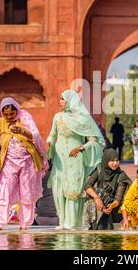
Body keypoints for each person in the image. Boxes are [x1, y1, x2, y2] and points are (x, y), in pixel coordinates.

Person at [47, 90, 105, 230]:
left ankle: (72, 223)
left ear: (70, 100)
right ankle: (62, 221)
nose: (60, 101)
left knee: (74, 188)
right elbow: (52, 135)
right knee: (59, 188)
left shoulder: (83, 118)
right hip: (60, 159)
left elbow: (94, 140)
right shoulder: (58, 117)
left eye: (62, 99)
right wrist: (48, 143)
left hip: (75, 158)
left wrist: (81, 148)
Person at [0, 97, 48, 231]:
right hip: (8, 162)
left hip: (27, 162)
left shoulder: (25, 118)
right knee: (3, 191)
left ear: (17, 110)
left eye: (12, 114)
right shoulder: (0, 123)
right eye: (6, 114)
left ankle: (25, 224)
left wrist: (22, 131)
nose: (9, 117)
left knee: (27, 193)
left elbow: (35, 135)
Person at [82, 148, 132, 230]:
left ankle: (102, 228)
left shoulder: (121, 175)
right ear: (106, 160)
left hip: (114, 208)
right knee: (94, 193)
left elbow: (118, 198)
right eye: (112, 161)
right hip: (99, 204)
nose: (115, 163)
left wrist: (111, 206)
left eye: (117, 160)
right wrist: (97, 198)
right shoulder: (99, 170)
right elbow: (87, 186)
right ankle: (91, 226)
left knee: (102, 194)